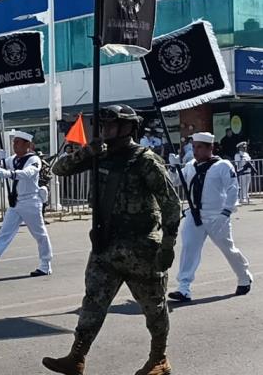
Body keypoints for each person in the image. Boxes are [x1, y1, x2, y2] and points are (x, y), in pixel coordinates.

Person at [43, 104, 181, 375]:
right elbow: (58, 169)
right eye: (104, 125)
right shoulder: (99, 155)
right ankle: (77, 357)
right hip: (106, 246)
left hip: (141, 249)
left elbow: (171, 204)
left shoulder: (145, 160)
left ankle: (158, 359)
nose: (105, 131)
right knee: (92, 303)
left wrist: (168, 244)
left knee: (154, 308)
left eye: (112, 126)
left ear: (129, 128)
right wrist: (87, 152)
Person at [166, 132, 253, 303]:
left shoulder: (222, 165)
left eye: (199, 147)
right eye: (194, 147)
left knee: (228, 249)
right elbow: (176, 181)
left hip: (216, 216)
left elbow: (233, 189)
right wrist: (173, 167)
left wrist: (226, 212)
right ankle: (184, 288)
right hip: (195, 214)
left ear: (210, 148)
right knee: (189, 249)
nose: (195, 151)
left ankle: (244, 276)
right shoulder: (191, 165)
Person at [0, 131, 53, 276]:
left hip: (30, 201)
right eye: (13, 143)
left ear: (27, 145)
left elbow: (28, 173)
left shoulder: (33, 159)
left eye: (17, 143)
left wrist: (9, 173)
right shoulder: (13, 159)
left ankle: (45, 264)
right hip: (16, 202)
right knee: (5, 232)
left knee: (40, 234)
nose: (14, 146)